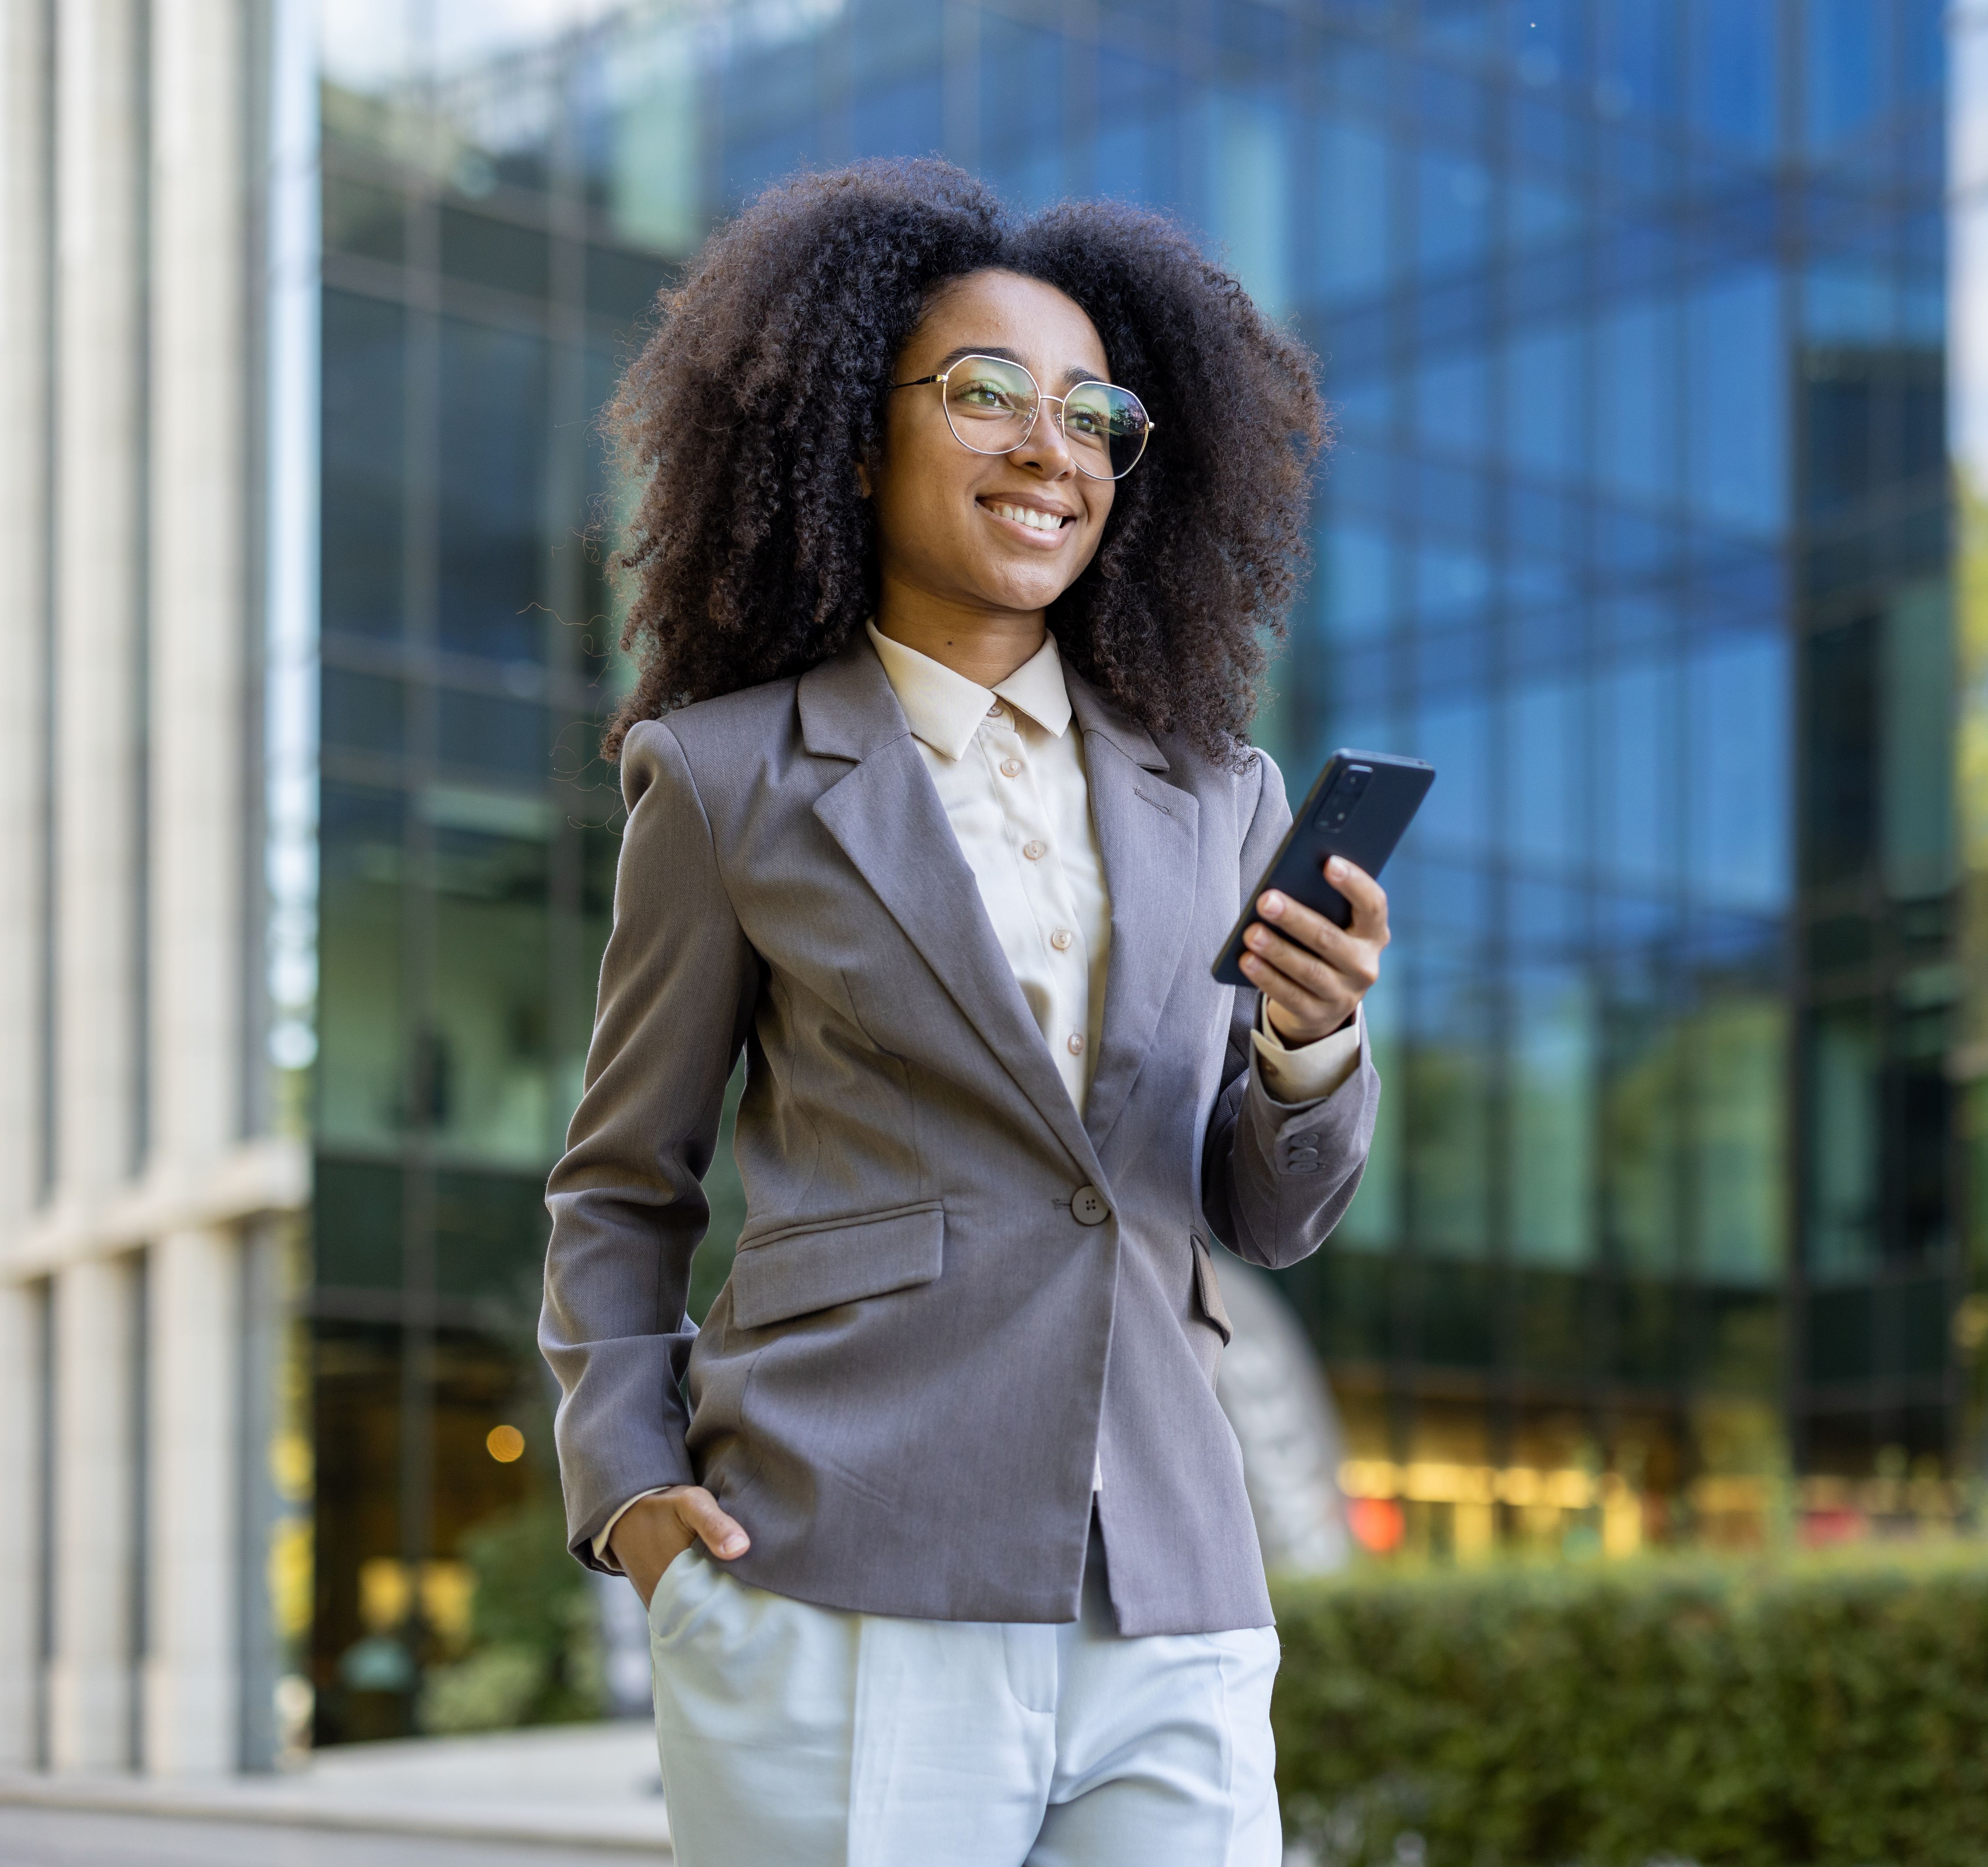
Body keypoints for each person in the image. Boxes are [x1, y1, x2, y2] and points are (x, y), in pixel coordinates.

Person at [539, 159, 1384, 1867]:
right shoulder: (724, 780)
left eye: (1096, 413)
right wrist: (630, 1496)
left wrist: (1313, 1047)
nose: (1049, 445)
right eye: (986, 395)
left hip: (1165, 1586)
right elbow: (623, 1185)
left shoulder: (1220, 794)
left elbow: (1265, 1212)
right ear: (858, 437)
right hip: (842, 1569)